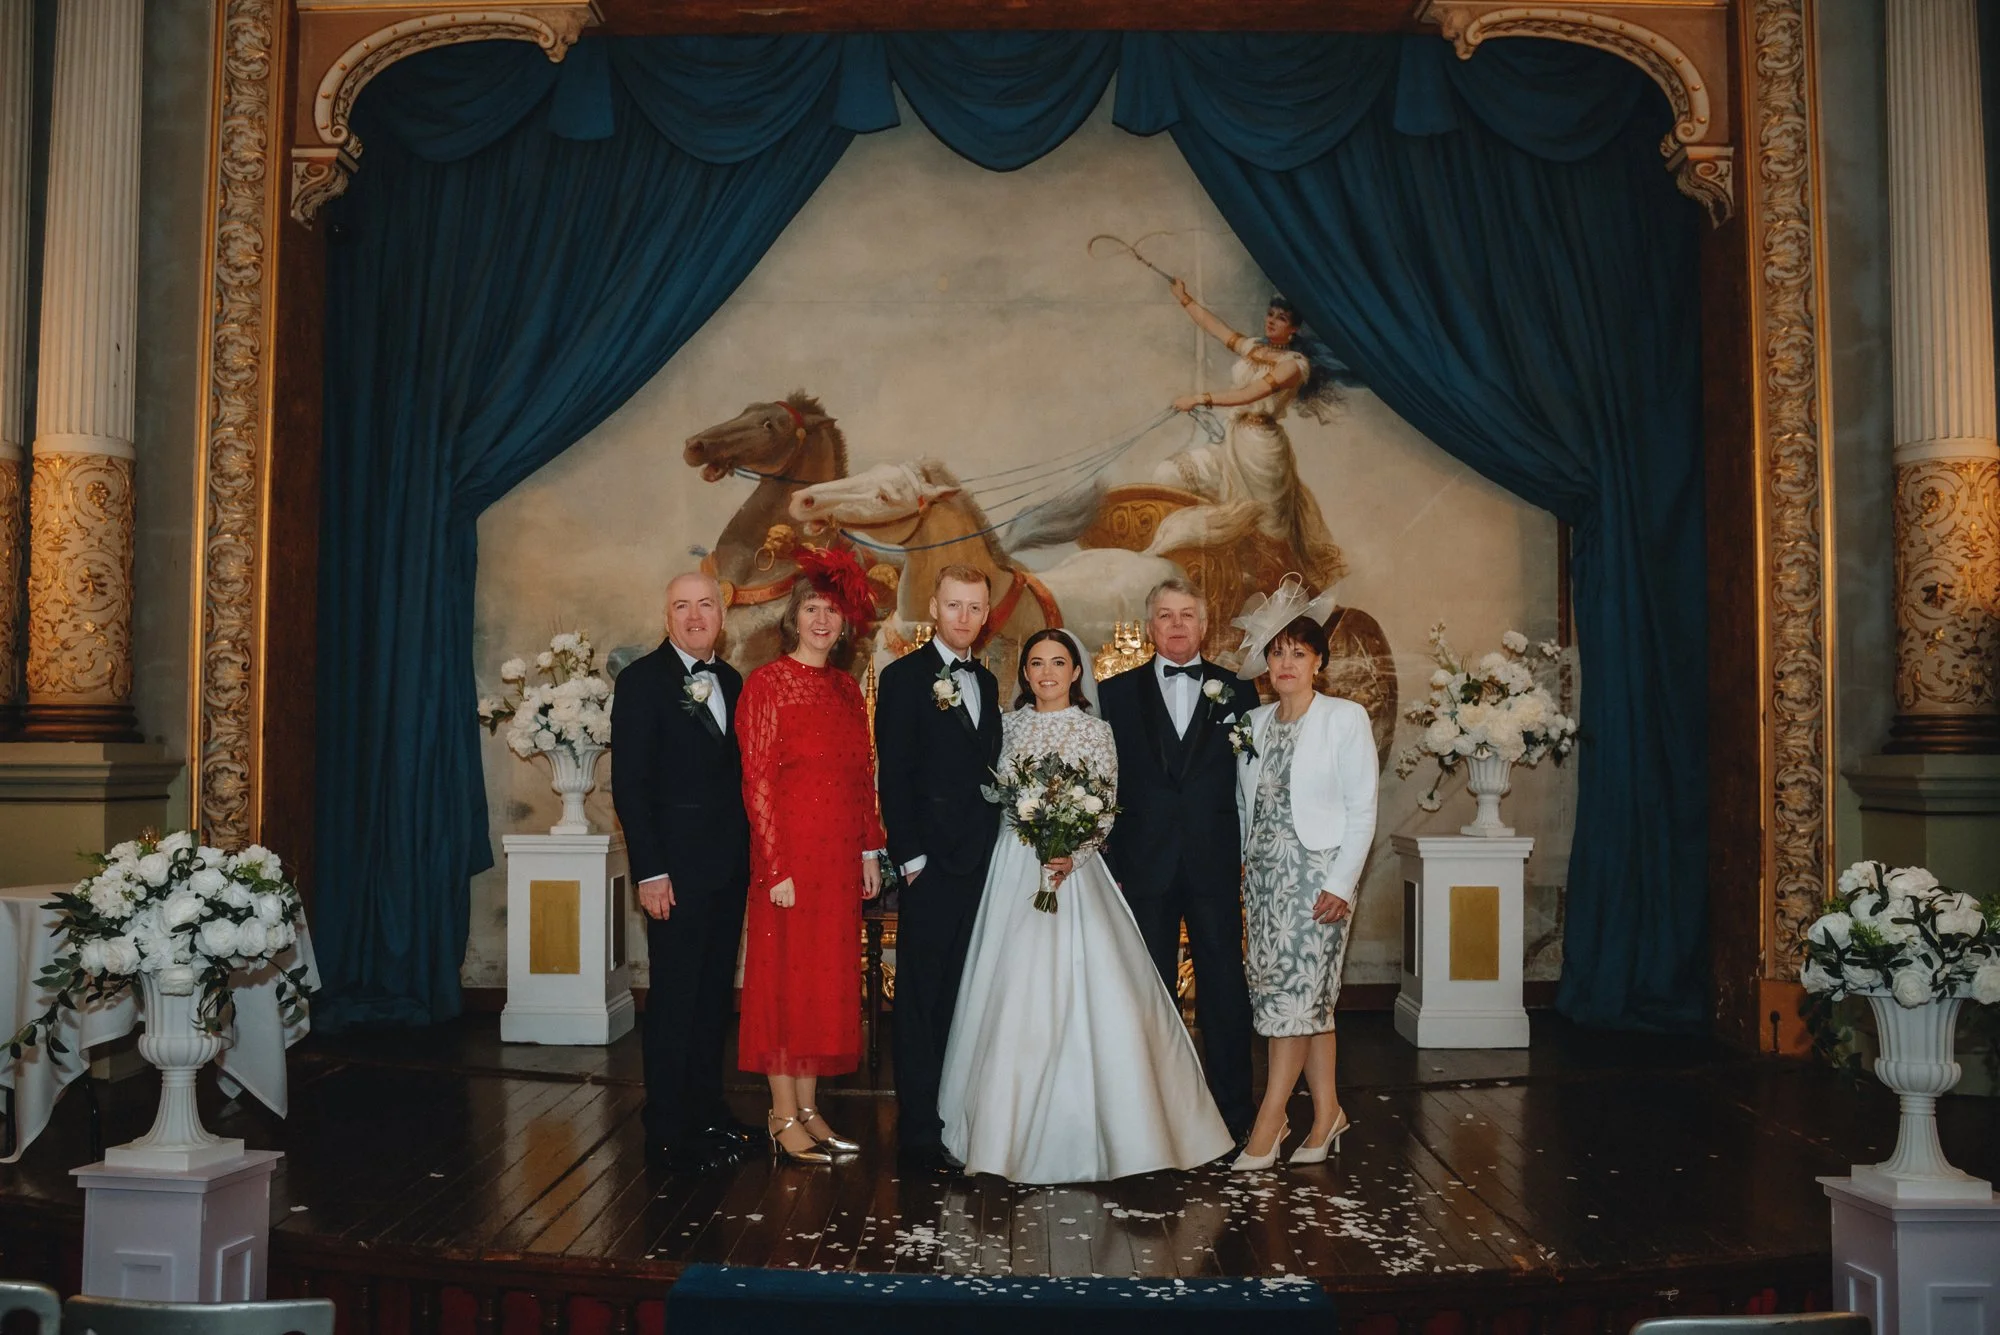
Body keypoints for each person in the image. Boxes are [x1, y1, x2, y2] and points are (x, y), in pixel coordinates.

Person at [939, 629, 1234, 1183]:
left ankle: (1121, 1131)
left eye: (1058, 662)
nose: (1046, 673)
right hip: (1014, 866)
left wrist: (1071, 853)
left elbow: (1105, 804)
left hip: (1074, 871)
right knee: (1008, 988)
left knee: (1100, 991)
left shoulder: (1096, 731)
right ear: (1024, 673)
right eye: (1036, 663)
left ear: (1076, 672)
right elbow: (995, 795)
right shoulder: (1007, 726)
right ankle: (999, 1132)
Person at [736, 546, 886, 1165]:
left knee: (822, 985)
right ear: (793, 617)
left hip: (838, 859)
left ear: (846, 622)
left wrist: (870, 849)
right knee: (784, 984)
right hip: (790, 861)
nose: (822, 620)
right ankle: (780, 1113)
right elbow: (757, 780)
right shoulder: (767, 684)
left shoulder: (847, 689)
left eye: (832, 610)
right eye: (811, 608)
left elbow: (862, 775)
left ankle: (809, 1108)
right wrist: (776, 866)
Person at [1096, 577, 1257, 1142]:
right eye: (1165, 615)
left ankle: (1234, 1115)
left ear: (1205, 625)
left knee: (1225, 990)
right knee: (1147, 989)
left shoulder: (1239, 691)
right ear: (1149, 627)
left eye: (1187, 614)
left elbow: (1253, 779)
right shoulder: (1114, 694)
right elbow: (1106, 782)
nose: (1177, 624)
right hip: (1143, 865)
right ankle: (1150, 1116)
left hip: (1215, 862)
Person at [1228, 577, 1379, 1170]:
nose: (1286, 663)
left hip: (1318, 882)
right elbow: (1246, 807)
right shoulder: (1254, 723)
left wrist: (1342, 884)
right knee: (1305, 1000)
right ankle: (1328, 1114)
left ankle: (1270, 1120)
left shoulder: (1345, 718)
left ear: (1319, 661)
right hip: (1265, 883)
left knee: (1294, 1001)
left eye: (1299, 652)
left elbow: (1363, 809)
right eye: (1277, 652)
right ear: (1265, 664)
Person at [609, 571, 757, 1174]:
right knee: (674, 999)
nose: (695, 616)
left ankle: (707, 1113)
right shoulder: (642, 682)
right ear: (666, 616)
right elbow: (630, 786)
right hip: (672, 875)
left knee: (713, 998)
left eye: (705, 605)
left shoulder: (732, 681)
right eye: (681, 606)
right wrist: (650, 872)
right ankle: (667, 1130)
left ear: (722, 614)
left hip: (727, 869)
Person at [872, 565, 1003, 1175]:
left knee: (962, 994)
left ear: (986, 614)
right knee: (921, 1000)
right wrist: (912, 860)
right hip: (929, 867)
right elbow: (894, 774)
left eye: (975, 608)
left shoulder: (989, 681)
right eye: (954, 605)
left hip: (983, 864)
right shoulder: (903, 678)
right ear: (934, 607)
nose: (965, 618)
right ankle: (919, 1133)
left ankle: (956, 1115)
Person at [1150, 286, 1348, 588]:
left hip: (1262, 453)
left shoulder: (1294, 365)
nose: (1271, 321)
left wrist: (1199, 398)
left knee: (1266, 537)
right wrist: (1184, 298)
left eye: (1281, 318)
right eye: (1270, 314)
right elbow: (1216, 328)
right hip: (1232, 441)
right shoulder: (1255, 347)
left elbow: (1251, 393)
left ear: (1294, 329)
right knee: (1169, 474)